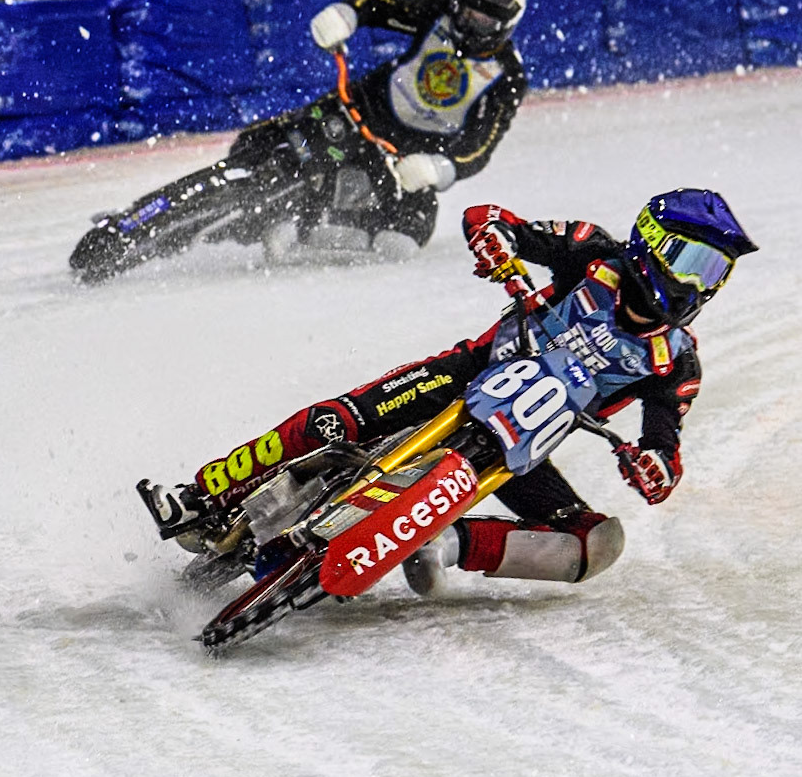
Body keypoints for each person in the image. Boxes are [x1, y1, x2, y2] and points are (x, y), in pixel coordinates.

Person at [139, 189, 755, 593]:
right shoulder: (593, 253)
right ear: (652, 244)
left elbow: (666, 447)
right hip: (461, 379)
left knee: (596, 542)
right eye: (692, 262)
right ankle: (206, 493)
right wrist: (498, 243)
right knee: (336, 421)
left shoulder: (676, 361)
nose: (699, 285)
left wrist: (651, 466)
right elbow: (490, 218)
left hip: (524, 447)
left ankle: (444, 540)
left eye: (715, 274)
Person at [71, 0, 530, 279]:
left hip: (398, 161)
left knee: (400, 239)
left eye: (486, 20)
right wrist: (345, 15)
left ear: (506, 26)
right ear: (456, 1)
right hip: (353, 111)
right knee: (260, 152)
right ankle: (141, 224)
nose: (471, 23)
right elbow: (377, 6)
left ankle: (288, 226)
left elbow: (479, 147)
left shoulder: (506, 77)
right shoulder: (435, 14)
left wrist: (437, 168)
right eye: (468, 8)